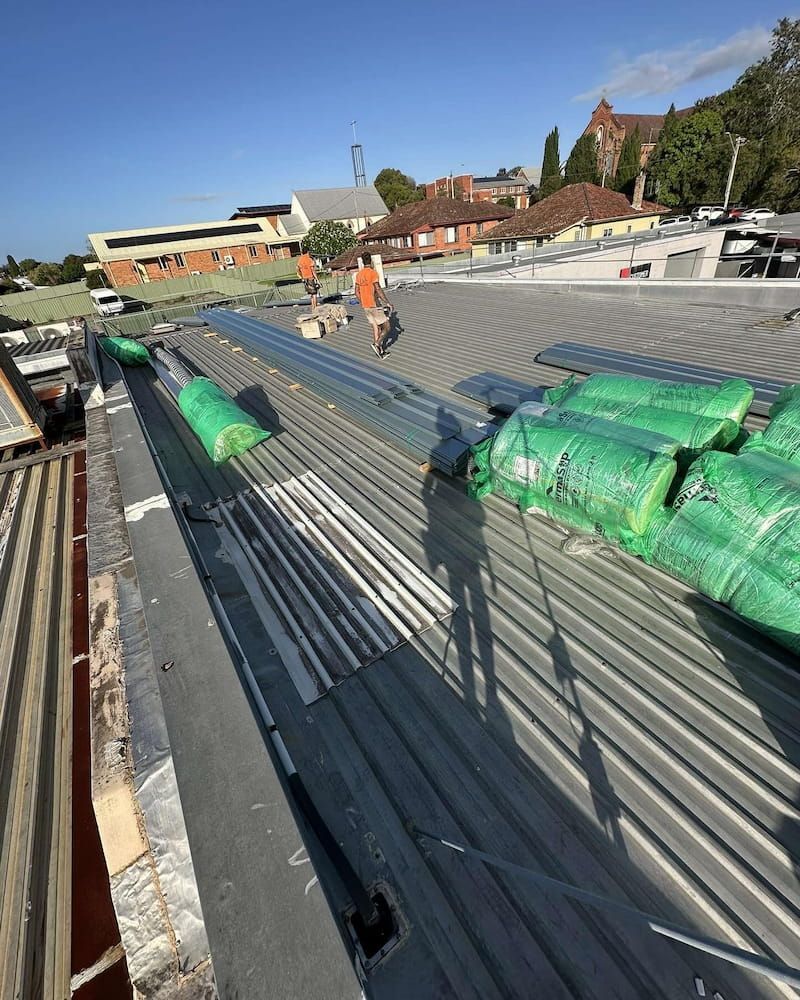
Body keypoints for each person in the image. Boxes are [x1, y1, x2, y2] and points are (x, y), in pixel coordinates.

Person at [354, 252, 394, 359]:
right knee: (387, 327)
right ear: (370, 261)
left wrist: (362, 301)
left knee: (376, 327)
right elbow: (378, 289)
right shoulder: (373, 273)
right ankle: (377, 345)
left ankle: (380, 351)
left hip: (366, 306)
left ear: (362, 262)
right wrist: (387, 302)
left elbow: (356, 291)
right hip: (374, 304)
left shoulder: (359, 275)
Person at [296, 247, 320, 311]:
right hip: (310, 278)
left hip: (305, 279)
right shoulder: (309, 259)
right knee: (314, 294)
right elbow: (313, 271)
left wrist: (300, 276)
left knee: (311, 294)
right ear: (308, 252)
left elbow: (297, 269)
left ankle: (313, 308)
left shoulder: (300, 259)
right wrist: (317, 280)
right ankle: (315, 308)